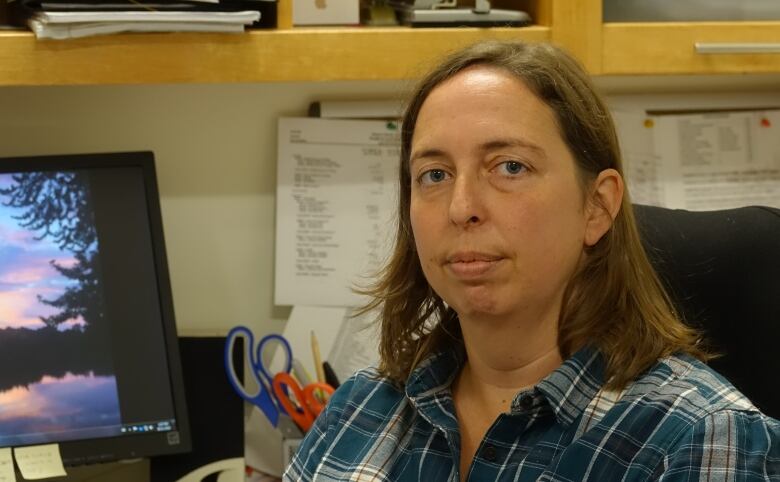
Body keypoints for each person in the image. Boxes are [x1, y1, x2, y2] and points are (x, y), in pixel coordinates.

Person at [284, 40, 780, 481]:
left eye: (510, 167)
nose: (461, 208)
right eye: (434, 175)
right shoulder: (361, 408)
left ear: (597, 206)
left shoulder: (699, 439)